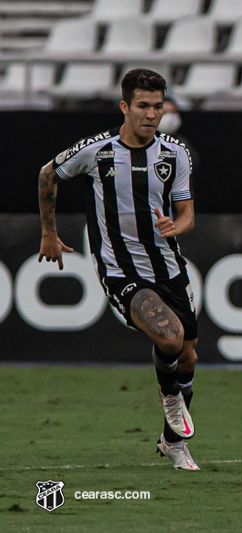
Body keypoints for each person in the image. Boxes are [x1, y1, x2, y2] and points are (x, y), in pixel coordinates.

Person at [38, 69, 200, 470]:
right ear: (125, 106)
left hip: (169, 267)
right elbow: (48, 173)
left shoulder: (175, 154)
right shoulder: (100, 150)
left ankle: (172, 441)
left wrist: (174, 227)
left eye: (158, 106)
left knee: (188, 358)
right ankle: (170, 402)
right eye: (143, 106)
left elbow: (187, 215)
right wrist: (48, 233)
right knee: (170, 337)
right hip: (120, 270)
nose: (151, 114)